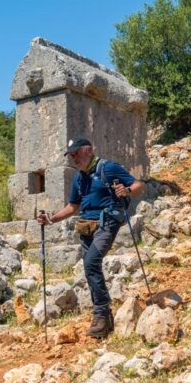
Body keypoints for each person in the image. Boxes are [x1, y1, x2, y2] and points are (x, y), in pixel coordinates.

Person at [37, 138, 145, 339]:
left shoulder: (109, 168)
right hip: (86, 225)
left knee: (91, 261)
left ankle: (102, 313)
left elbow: (139, 186)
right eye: (71, 155)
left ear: (88, 150)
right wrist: (50, 220)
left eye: (76, 153)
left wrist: (127, 190)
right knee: (89, 267)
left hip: (107, 221)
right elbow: (73, 207)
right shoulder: (79, 178)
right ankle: (102, 315)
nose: (73, 158)